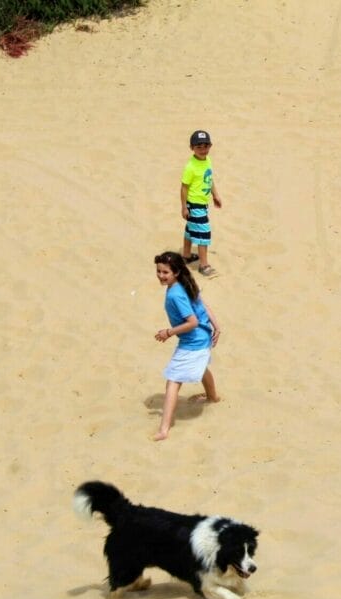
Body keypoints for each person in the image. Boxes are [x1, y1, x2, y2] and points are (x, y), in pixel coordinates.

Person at [152, 251, 221, 441]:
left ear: (175, 272)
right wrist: (216, 326)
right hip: (203, 337)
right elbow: (202, 304)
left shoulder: (175, 294)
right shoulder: (185, 282)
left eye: (165, 272)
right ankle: (212, 397)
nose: (160, 275)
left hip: (194, 342)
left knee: (173, 380)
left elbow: (191, 321)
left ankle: (164, 429)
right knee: (202, 367)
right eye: (158, 271)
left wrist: (168, 333)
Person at [180, 130, 223, 277]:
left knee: (190, 230)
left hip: (202, 204)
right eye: (199, 147)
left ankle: (186, 256)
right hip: (195, 205)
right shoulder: (190, 167)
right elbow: (184, 187)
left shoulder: (207, 161)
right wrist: (184, 206)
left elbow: (209, 179)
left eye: (206, 146)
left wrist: (215, 194)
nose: (203, 150)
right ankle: (204, 266)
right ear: (192, 147)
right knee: (203, 234)